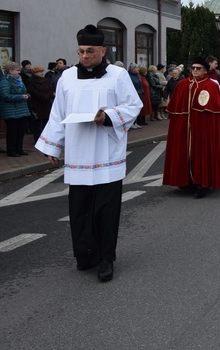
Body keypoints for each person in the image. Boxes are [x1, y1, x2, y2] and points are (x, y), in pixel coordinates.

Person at [36, 25, 142, 282]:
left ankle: (106, 258)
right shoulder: (68, 77)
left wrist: (108, 116)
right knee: (80, 210)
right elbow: (58, 113)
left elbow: (133, 105)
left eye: (90, 51)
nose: (85, 56)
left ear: (102, 50)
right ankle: (85, 254)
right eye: (81, 51)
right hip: (79, 154)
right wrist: (53, 145)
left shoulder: (117, 75)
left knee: (106, 211)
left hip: (106, 153)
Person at [163, 57, 220, 198]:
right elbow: (175, 110)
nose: (194, 70)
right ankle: (186, 181)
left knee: (202, 155)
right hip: (184, 130)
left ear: (205, 70)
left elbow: (214, 112)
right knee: (184, 153)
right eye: (193, 68)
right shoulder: (182, 84)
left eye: (198, 68)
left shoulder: (211, 85)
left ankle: (202, 184)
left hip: (202, 129)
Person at [0, 62, 32, 157]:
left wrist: (27, 96)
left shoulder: (19, 80)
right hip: (10, 111)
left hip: (21, 110)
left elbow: (25, 92)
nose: (19, 72)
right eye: (17, 70)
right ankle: (11, 150)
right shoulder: (4, 81)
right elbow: (5, 95)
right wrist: (21, 97)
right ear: (10, 71)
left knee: (20, 131)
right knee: (12, 132)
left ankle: (19, 148)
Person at [25, 65, 53, 143]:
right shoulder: (30, 81)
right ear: (35, 73)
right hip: (36, 104)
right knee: (37, 123)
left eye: (42, 72)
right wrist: (44, 96)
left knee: (46, 122)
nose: (41, 73)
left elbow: (50, 89)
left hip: (46, 104)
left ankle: (46, 138)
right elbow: (33, 91)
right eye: (39, 72)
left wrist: (47, 96)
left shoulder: (45, 80)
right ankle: (37, 139)